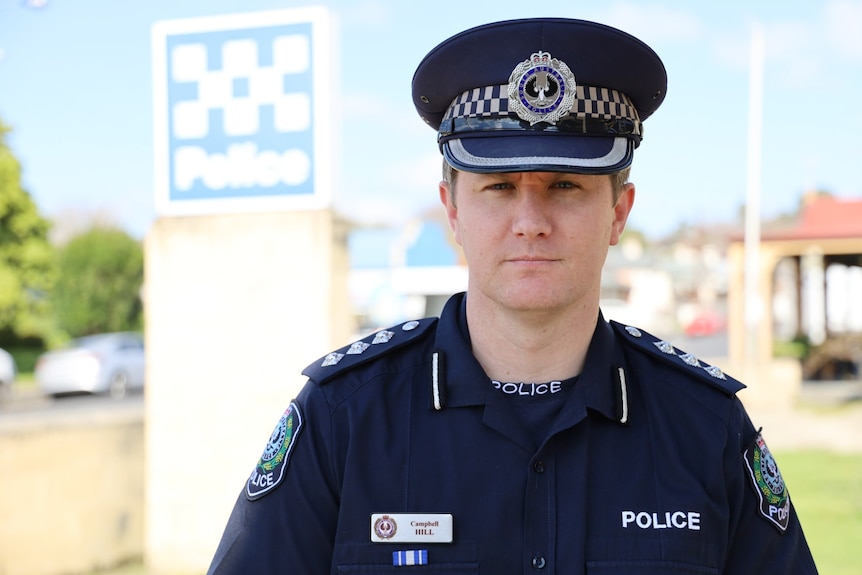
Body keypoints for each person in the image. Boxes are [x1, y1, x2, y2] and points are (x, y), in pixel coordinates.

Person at [208, 17, 818, 574]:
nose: (531, 220)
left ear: (618, 211)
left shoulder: (705, 428)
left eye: (565, 186)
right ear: (452, 209)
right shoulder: (343, 419)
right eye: (498, 186)